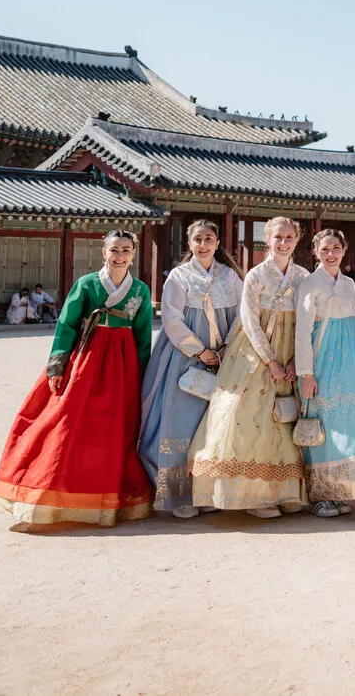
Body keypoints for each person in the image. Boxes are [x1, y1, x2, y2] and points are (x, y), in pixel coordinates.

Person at [0, 230, 154, 530]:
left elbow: (142, 335)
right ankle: (51, 489)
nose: (119, 256)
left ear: (134, 254)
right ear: (102, 253)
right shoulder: (87, 284)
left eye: (126, 250)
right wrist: (57, 365)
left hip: (122, 363)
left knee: (114, 428)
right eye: (114, 250)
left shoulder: (141, 291)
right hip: (87, 356)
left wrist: (143, 374)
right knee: (67, 420)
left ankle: (107, 498)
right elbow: (67, 324)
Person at [188, 216, 310, 519]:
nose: (283, 243)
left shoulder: (303, 276)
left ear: (297, 240)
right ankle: (251, 495)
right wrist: (269, 359)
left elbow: (308, 322)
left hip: (291, 348)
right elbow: (250, 320)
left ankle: (284, 492)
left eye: (289, 237)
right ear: (267, 240)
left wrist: (296, 359)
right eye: (277, 237)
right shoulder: (256, 275)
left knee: (284, 419)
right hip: (254, 351)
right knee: (247, 412)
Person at [137, 220, 243, 519]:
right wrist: (200, 350)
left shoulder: (231, 277)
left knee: (214, 424)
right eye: (198, 239)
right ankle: (179, 495)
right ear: (189, 242)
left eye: (209, 239)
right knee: (180, 419)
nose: (203, 244)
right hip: (184, 357)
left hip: (224, 356)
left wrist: (225, 349)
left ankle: (207, 489)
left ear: (217, 242)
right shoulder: (180, 277)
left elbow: (241, 314)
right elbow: (171, 318)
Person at [293, 228, 355, 517]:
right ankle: (321, 495)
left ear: (345, 250)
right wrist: (306, 372)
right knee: (325, 422)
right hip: (323, 357)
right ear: (315, 253)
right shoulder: (309, 284)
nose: (331, 254)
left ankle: (341, 490)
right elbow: (303, 331)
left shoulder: (349, 284)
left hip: (353, 359)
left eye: (335, 248)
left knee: (351, 422)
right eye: (324, 250)